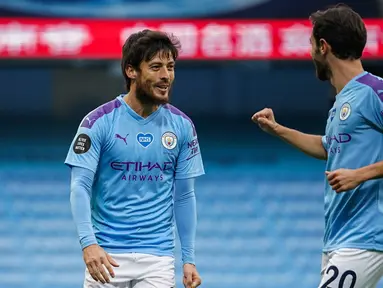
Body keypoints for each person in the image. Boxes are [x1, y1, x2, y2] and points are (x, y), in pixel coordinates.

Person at [252, 4, 383, 288]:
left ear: (324, 46)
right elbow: (329, 148)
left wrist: (360, 174)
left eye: (311, 44)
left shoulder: (374, 92)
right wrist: (279, 130)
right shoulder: (341, 102)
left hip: (366, 236)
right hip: (338, 235)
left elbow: (353, 168)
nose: (310, 53)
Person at [65, 29, 205, 288]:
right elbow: (80, 186)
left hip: (158, 258)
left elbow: (184, 196)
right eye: (156, 67)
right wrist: (88, 244)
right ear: (131, 71)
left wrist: (189, 259)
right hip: (106, 255)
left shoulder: (183, 126)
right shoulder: (97, 123)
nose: (166, 76)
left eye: (170, 67)